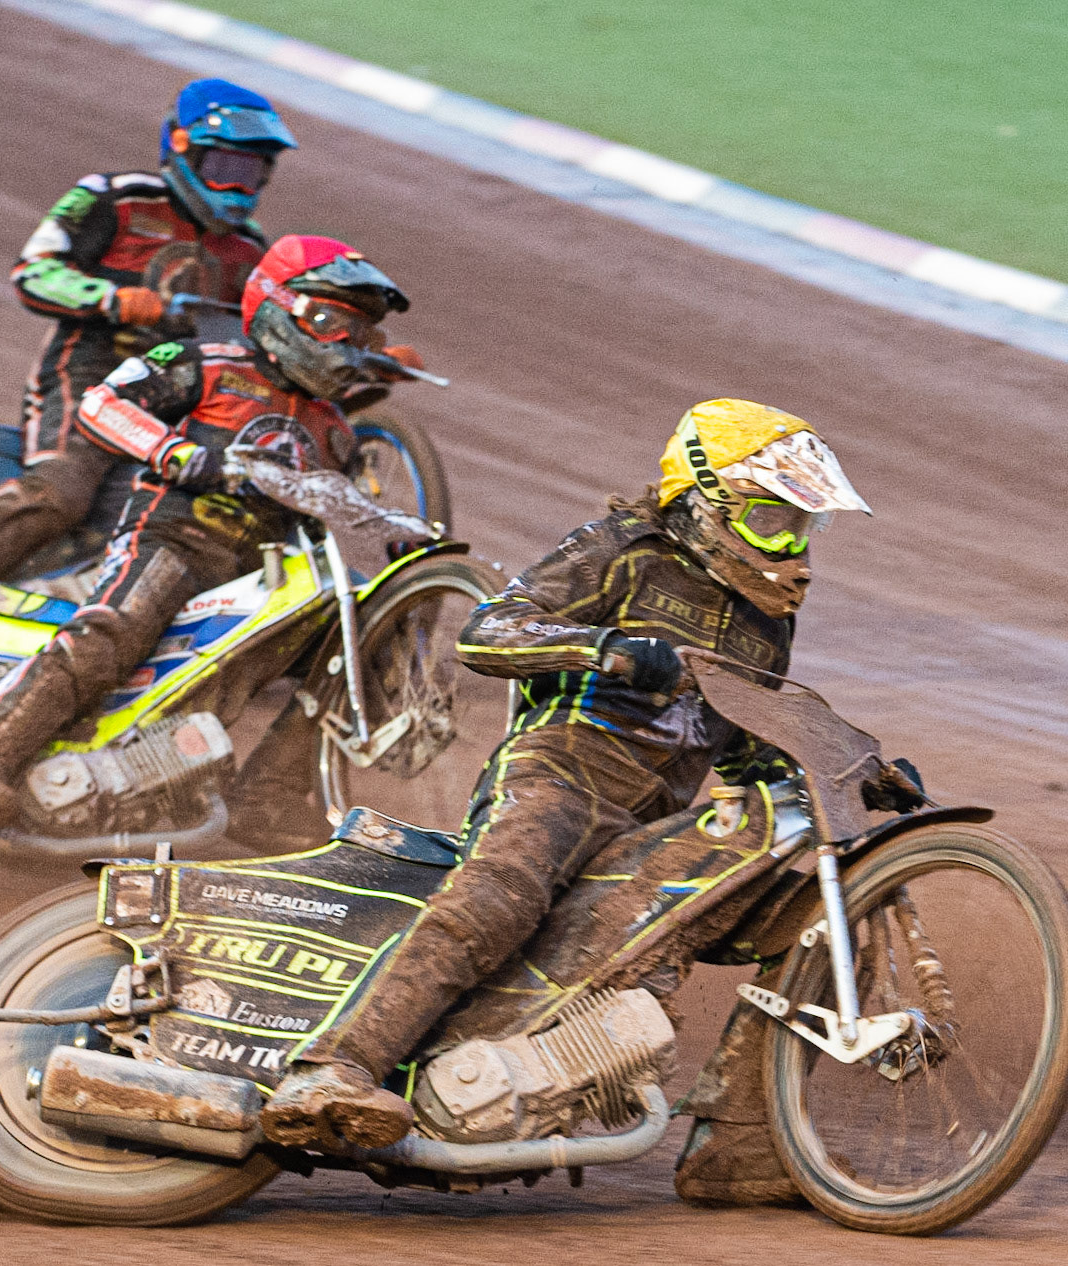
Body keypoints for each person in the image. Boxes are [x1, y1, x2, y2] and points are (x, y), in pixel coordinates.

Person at [259, 399, 875, 1203]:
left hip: (655, 827)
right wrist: (609, 651)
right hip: (563, 774)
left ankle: (743, 1145)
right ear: (703, 503)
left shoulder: (763, 623)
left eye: (803, 526)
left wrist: (855, 767)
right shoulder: (621, 551)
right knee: (499, 897)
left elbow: (748, 744)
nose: (791, 549)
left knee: (824, 923)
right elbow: (488, 631)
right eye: (773, 519)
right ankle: (335, 1068)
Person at [0, 235, 412, 828]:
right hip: (173, 537)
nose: (346, 345)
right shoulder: (208, 362)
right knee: (111, 635)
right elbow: (100, 404)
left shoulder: (336, 429)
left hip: (264, 574)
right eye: (329, 321)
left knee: (360, 645)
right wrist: (175, 453)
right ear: (277, 306)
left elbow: (335, 507)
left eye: (361, 334)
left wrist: (395, 538)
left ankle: (267, 796)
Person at [0, 78, 296, 604]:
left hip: (175, 397)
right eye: (226, 168)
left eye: (255, 171)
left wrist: (361, 358)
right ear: (183, 148)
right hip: (87, 374)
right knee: (60, 491)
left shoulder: (249, 248)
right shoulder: (114, 197)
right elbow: (33, 271)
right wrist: (114, 299)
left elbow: (266, 337)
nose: (240, 187)